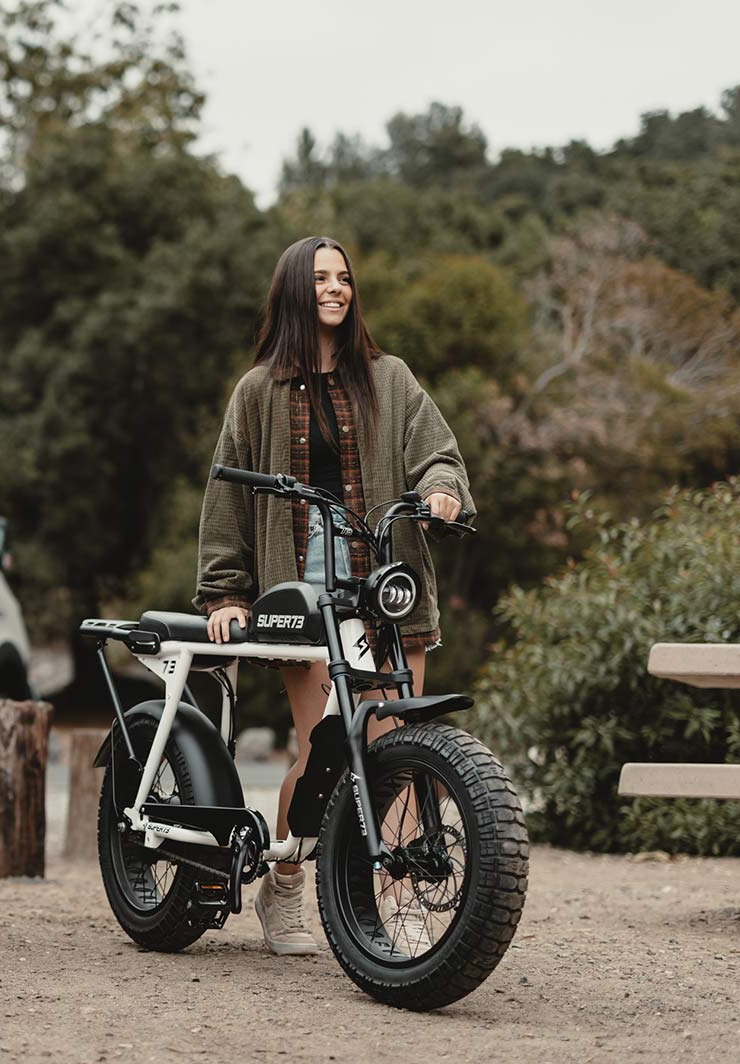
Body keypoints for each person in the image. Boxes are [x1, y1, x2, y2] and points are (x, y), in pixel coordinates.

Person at [195, 235, 473, 956]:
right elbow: (226, 494)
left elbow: (434, 446)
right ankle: (285, 882)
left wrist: (441, 490)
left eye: (344, 277)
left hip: (386, 588)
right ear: (294, 289)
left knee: (400, 750)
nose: (336, 288)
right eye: (321, 278)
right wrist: (225, 592)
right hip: (305, 593)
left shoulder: (389, 378)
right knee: (325, 752)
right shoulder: (257, 392)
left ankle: (397, 907)